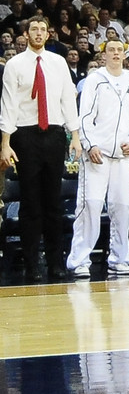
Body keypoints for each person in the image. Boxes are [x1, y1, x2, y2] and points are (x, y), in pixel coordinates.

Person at [0, 15, 82, 281]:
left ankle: (56, 262)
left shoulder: (58, 63)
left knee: (53, 203)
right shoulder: (14, 65)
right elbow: (8, 105)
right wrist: (5, 143)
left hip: (55, 134)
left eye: (42, 29)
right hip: (25, 135)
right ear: (26, 34)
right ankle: (32, 262)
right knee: (30, 203)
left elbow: (68, 100)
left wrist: (76, 136)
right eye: (33, 29)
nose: (38, 33)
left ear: (48, 34)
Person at [66, 38, 129, 278]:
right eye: (110, 50)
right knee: (89, 206)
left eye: (119, 50)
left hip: (122, 157)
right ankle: (79, 260)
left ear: (125, 55)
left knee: (122, 207)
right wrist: (89, 145)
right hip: (96, 155)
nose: (115, 53)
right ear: (103, 55)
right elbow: (85, 117)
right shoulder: (94, 81)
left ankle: (120, 258)